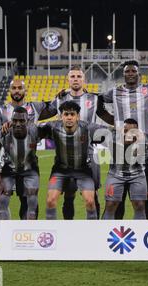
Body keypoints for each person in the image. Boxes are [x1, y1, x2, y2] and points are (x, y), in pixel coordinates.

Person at [97, 60, 148, 220]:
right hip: (120, 150)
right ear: (123, 74)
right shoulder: (114, 92)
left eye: (133, 71)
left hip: (143, 150)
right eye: (127, 71)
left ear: (139, 74)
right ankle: (114, 232)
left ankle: (146, 230)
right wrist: (114, 121)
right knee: (118, 197)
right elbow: (98, 104)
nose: (130, 73)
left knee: (145, 195)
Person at [0, 79, 57, 249]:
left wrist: (62, 94)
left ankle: (28, 235)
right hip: (9, 164)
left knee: (28, 201)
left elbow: (54, 106)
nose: (17, 90)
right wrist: (2, 130)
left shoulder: (35, 107)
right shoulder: (1, 111)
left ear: (25, 91)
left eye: (20, 88)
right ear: (10, 90)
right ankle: (2, 237)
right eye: (14, 88)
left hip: (29, 164)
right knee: (1, 201)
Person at [39, 101, 107, 220]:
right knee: (50, 201)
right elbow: (31, 131)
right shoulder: (53, 127)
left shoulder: (88, 128)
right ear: (61, 116)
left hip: (83, 171)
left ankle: (93, 234)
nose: (69, 117)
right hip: (60, 171)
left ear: (78, 116)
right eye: (66, 114)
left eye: (72, 114)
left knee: (90, 201)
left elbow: (109, 132)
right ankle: (53, 235)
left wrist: (124, 131)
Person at [51, 66, 101, 220]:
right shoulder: (59, 98)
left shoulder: (94, 98)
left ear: (84, 80)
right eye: (72, 77)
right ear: (68, 80)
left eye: (79, 76)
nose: (75, 79)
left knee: (93, 195)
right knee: (69, 194)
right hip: (65, 153)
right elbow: (44, 112)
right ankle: (68, 228)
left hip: (90, 152)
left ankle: (95, 229)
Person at [0, 107, 41, 223]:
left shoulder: (35, 130)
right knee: (2, 199)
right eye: (15, 120)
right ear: (11, 120)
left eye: (22, 121)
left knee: (32, 200)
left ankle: (29, 232)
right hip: (9, 170)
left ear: (28, 121)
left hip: (30, 170)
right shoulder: (2, 134)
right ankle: (4, 236)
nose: (18, 124)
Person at [102, 119, 147, 220]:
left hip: (138, 175)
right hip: (115, 174)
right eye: (126, 131)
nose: (129, 134)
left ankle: (140, 232)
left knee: (139, 205)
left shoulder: (145, 139)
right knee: (110, 205)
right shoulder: (112, 138)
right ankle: (103, 232)